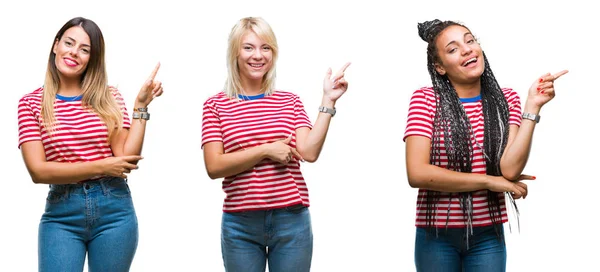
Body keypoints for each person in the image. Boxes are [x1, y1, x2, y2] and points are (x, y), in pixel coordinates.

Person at [403, 19, 567, 271]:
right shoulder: (426, 99)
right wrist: (490, 181)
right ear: (439, 66)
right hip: (436, 235)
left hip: (488, 236)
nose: (467, 49)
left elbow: (509, 171)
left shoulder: (507, 99)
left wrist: (532, 106)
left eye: (470, 41)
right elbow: (418, 173)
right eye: (453, 48)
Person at [201, 17, 350, 272]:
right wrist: (266, 150)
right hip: (240, 224)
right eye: (248, 47)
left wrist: (328, 100)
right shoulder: (216, 105)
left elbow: (309, 152)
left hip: (291, 220)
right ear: (235, 52)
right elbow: (214, 166)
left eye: (266, 47)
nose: (258, 56)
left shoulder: (289, 101)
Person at [17, 17, 163, 272]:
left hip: (115, 211)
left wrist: (140, 107)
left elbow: (125, 159)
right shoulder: (31, 104)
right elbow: (38, 172)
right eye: (69, 43)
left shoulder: (108, 97)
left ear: (92, 59)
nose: (74, 52)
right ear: (56, 45)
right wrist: (103, 166)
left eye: (85, 49)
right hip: (62, 213)